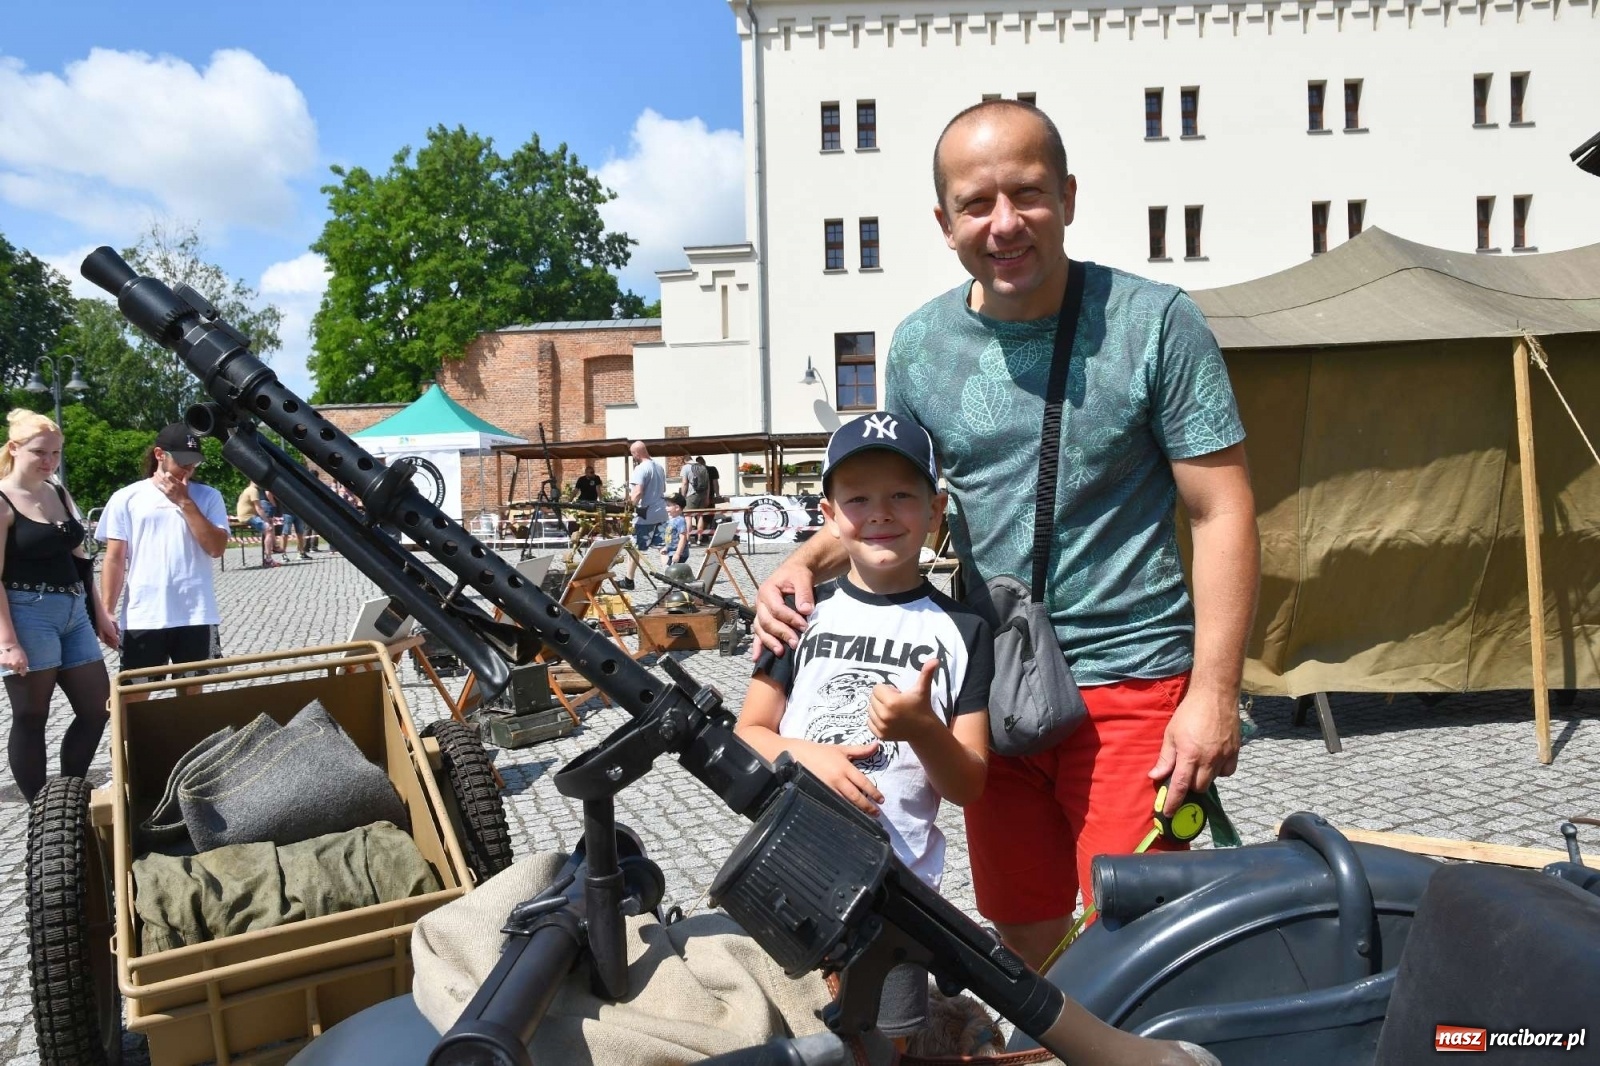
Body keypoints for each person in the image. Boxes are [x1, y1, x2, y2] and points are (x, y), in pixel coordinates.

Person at [754, 100, 1259, 971]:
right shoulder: (917, 347)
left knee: (1130, 938)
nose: (1004, 223)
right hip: (991, 684)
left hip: (1132, 678)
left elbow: (1223, 509)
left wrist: (1212, 693)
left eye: (1026, 194)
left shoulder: (1155, 323)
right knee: (1020, 927)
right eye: (976, 204)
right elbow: (892, 504)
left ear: (1065, 194)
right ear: (943, 221)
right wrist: (801, 562)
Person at [737, 411, 991, 1044]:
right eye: (858, 498)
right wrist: (806, 757)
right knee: (782, 1037)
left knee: (887, 1044)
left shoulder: (965, 632)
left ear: (935, 511)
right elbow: (750, 731)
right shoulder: (796, 617)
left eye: (902, 495)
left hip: (897, 904)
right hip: (788, 879)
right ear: (828, 513)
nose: (880, 512)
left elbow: (970, 784)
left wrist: (922, 728)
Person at [0, 411, 117, 801]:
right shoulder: (2, 501)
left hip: (73, 609)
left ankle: (68, 792)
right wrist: (8, 641)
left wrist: (99, 613)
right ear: (14, 449)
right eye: (40, 452)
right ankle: (40, 807)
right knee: (32, 716)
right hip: (26, 611)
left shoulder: (59, 492)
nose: (49, 461)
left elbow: (81, 560)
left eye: (55, 453)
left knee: (97, 707)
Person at [99, 424, 231, 699]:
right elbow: (114, 558)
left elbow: (216, 548)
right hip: (144, 613)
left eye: (194, 464)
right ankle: (129, 743)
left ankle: (190, 741)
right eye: (182, 462)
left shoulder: (208, 496)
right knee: (135, 695)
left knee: (191, 694)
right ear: (160, 454)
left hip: (196, 612)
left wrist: (185, 502)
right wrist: (107, 610)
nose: (188, 469)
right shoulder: (127, 497)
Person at [618, 440, 665, 590]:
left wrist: (628, 509)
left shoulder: (640, 468)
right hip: (661, 513)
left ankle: (629, 580)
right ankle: (670, 578)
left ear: (636, 453)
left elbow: (637, 492)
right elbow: (663, 488)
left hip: (645, 514)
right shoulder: (659, 467)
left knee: (634, 548)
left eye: (633, 454)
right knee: (662, 547)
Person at [235, 480, 278, 567]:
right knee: (269, 529)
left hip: (246, 516)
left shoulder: (247, 489)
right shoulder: (253, 491)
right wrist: (266, 520)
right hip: (248, 517)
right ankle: (269, 559)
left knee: (267, 529)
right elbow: (259, 508)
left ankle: (271, 551)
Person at [660, 493, 690, 567]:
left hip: (679, 553)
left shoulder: (680, 520)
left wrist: (677, 554)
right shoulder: (671, 520)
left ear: (677, 507)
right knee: (671, 572)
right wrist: (666, 548)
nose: (666, 508)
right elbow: (672, 537)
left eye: (668, 506)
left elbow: (683, 538)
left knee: (672, 572)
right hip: (671, 552)